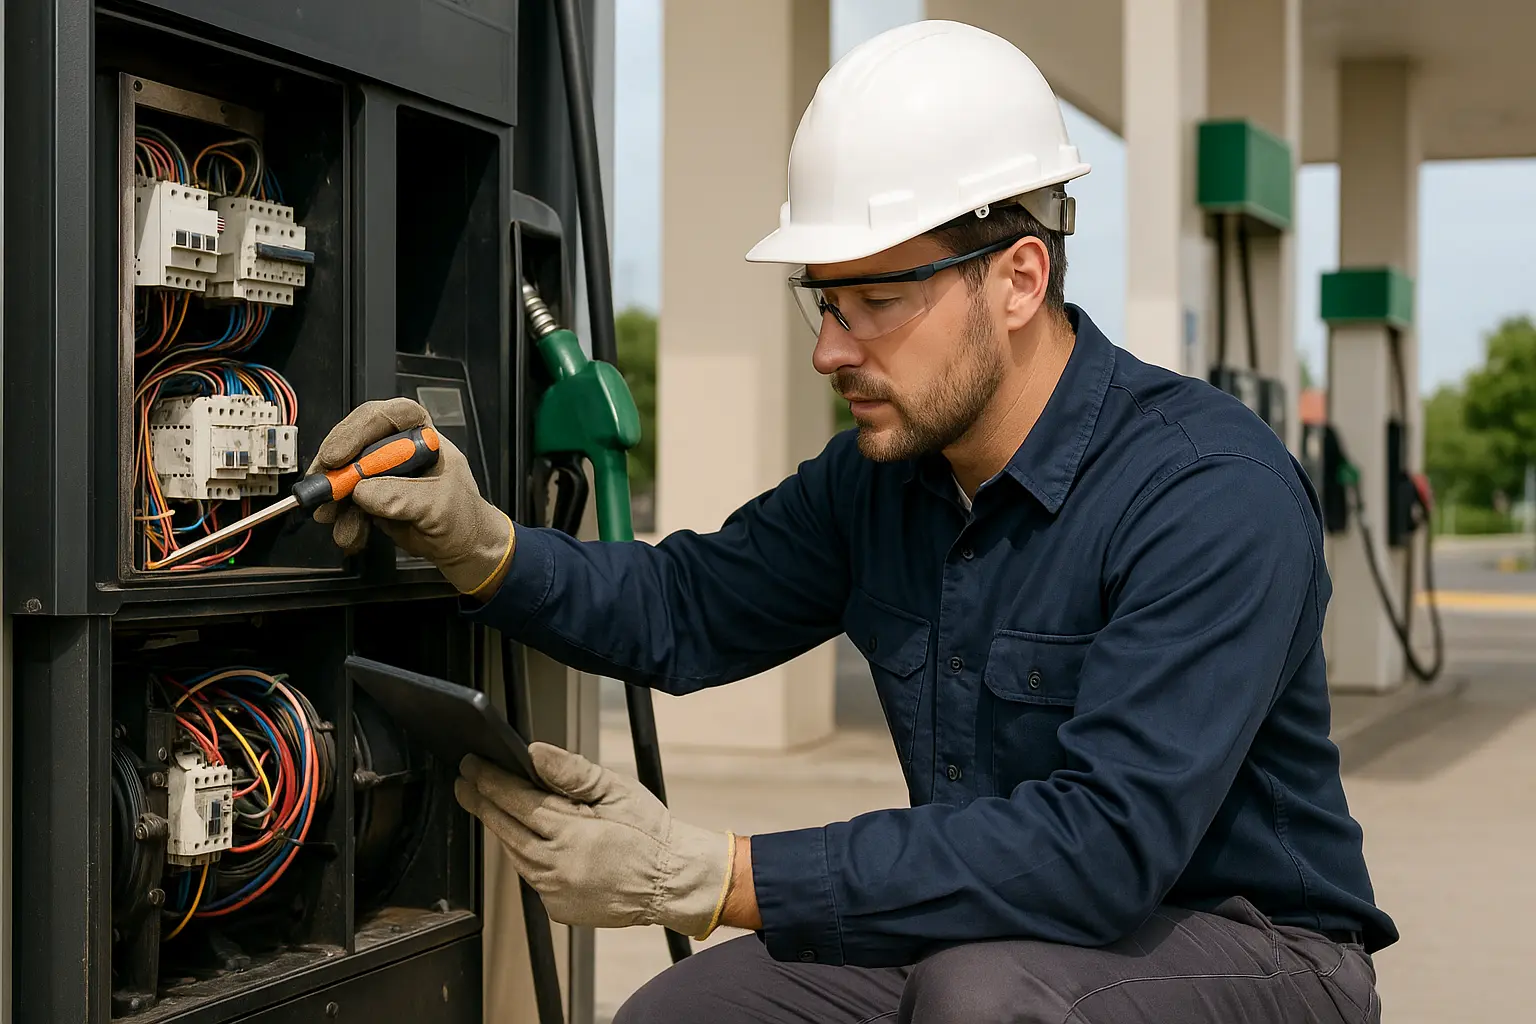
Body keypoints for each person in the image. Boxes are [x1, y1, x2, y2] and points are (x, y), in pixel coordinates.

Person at [311, 19, 1393, 1024]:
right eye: (826, 301)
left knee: (984, 1001)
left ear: (1020, 278)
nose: (833, 349)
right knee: (684, 1014)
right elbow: (682, 608)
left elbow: (1102, 847)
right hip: (997, 925)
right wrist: (479, 541)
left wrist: (715, 873)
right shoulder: (883, 483)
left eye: (879, 302)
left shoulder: (1205, 490)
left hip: (1256, 950)